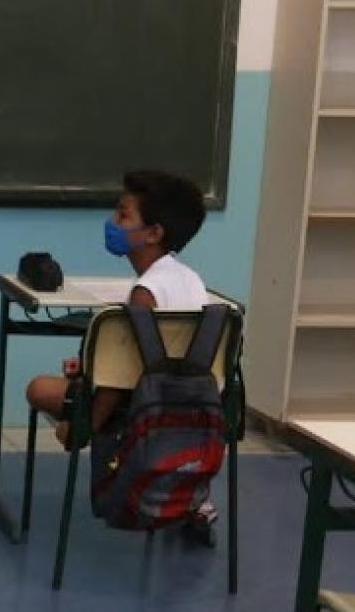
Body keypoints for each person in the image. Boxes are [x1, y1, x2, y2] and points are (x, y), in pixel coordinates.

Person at [24, 170, 216, 536]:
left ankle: (96, 440)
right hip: (190, 407)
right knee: (78, 378)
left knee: (40, 389)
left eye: (123, 215)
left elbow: (121, 379)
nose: (112, 223)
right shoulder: (191, 280)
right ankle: (195, 500)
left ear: (154, 233)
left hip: (142, 406)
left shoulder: (145, 292)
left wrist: (86, 424)